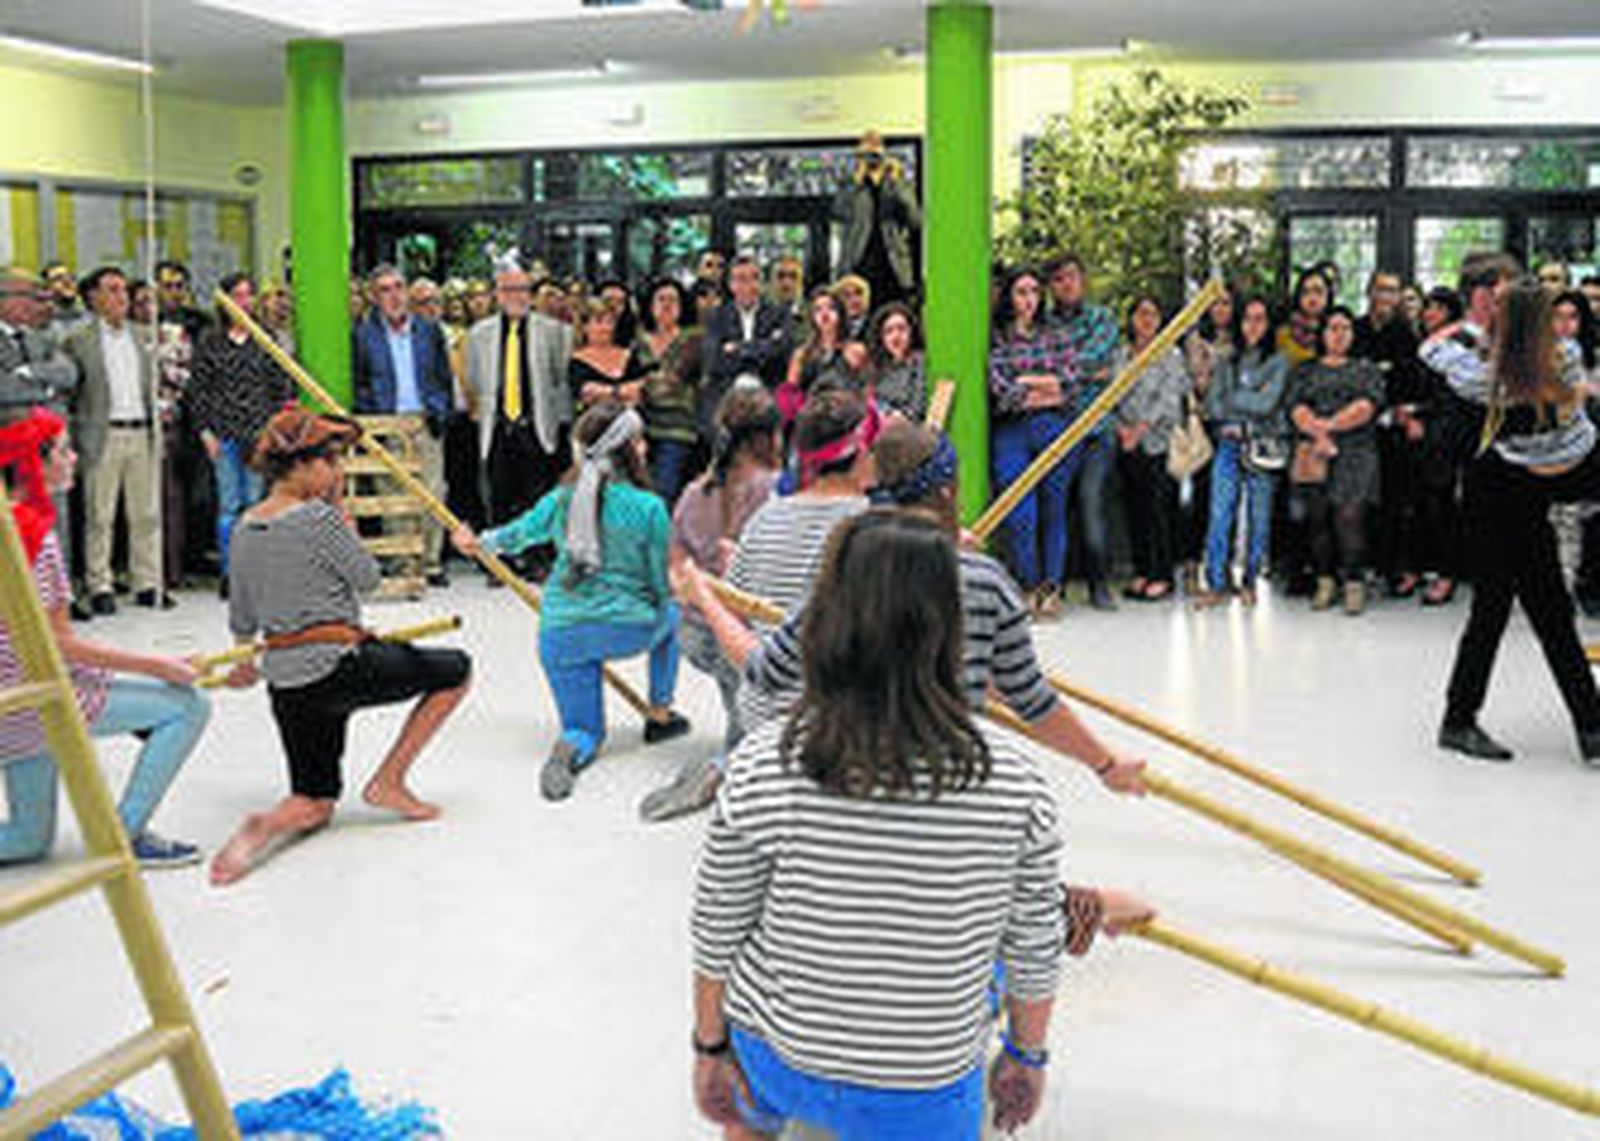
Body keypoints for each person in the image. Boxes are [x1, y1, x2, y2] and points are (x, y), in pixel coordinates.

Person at [689, 510, 1150, 1141]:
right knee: (1007, 930)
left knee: (752, 1095)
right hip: (921, 1084)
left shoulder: (761, 762)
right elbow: (1033, 949)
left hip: (776, 1057)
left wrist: (709, 1050)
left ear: (824, 620)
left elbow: (717, 927)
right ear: (953, 630)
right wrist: (1026, 1057)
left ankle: (754, 1124)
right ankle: (1098, 907)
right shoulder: (1015, 782)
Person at [213, 408, 471, 885]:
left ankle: (267, 824)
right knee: (456, 669)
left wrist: (244, 655)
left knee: (315, 803)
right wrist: (340, 517)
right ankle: (389, 782)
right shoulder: (318, 518)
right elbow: (368, 578)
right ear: (303, 467)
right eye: (331, 462)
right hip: (339, 667)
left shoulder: (246, 526)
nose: (338, 473)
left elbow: (243, 613)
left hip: (288, 684)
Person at [0, 406, 208, 869]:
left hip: (10, 705)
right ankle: (123, 835)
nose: (74, 457)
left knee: (28, 838)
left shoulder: (7, 526)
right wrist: (160, 666)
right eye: (64, 450)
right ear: (35, 463)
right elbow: (60, 645)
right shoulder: (36, 538)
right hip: (40, 700)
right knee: (188, 706)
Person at [454, 403, 688, 799]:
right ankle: (660, 713)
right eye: (640, 439)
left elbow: (515, 535)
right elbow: (656, 585)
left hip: (559, 635)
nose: (645, 446)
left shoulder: (562, 499)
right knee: (673, 616)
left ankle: (570, 748)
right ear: (628, 447)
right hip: (626, 630)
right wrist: (678, 591)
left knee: (583, 729)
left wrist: (477, 543)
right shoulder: (649, 508)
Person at [1426, 276, 1600, 765]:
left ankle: (1463, 719)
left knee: (1524, 612)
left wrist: (1470, 333)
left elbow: (1430, 349)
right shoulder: (1560, 357)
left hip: (1513, 486)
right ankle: (1587, 727)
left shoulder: (1483, 376)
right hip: (1509, 492)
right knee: (1530, 612)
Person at [638, 386, 783, 823]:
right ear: (770, 436)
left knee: (737, 695)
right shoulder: (773, 491)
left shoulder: (695, 490)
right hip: (742, 633)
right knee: (759, 719)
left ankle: (729, 751)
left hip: (694, 629)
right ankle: (725, 767)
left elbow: (674, 563)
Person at [184, 271, 296, 598]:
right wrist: (205, 431)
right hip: (224, 434)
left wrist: (273, 429)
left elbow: (280, 388)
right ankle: (230, 573)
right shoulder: (210, 340)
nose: (243, 301)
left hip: (258, 434)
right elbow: (199, 391)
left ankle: (256, 571)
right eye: (237, 295)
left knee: (256, 503)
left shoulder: (265, 339)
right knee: (229, 507)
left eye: (248, 295)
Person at [63, 267, 165, 614]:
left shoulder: (143, 336)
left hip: (142, 433)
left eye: (124, 290)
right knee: (99, 515)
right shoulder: (79, 341)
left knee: (147, 514)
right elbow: (72, 396)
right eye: (112, 290)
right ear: (93, 297)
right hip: (101, 434)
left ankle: (147, 583)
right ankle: (100, 585)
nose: (123, 297)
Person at [465, 259, 575, 583]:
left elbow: (558, 378)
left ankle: (539, 560)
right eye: (509, 289)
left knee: (538, 498)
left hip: (536, 426)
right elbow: (475, 379)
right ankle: (502, 564)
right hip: (497, 427)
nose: (516, 296)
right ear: (497, 294)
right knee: (498, 497)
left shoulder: (554, 332)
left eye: (523, 289)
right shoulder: (478, 334)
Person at [352, 264, 456, 587]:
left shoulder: (429, 330)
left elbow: (443, 376)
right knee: (393, 496)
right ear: (374, 297)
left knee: (433, 492)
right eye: (385, 289)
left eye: (398, 287)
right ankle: (402, 563)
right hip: (387, 422)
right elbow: (360, 382)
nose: (394, 295)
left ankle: (430, 562)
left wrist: (439, 409)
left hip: (423, 421)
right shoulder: (362, 334)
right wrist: (371, 416)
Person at [989, 267, 1075, 618]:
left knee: (1054, 509)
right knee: (1020, 512)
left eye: (1034, 292)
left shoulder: (1057, 334)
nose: (1028, 299)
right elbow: (1002, 393)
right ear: (1010, 296)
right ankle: (1027, 584)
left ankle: (1051, 587)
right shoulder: (997, 337)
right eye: (1021, 292)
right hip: (1011, 430)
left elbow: (1069, 386)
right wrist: (1044, 385)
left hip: (1054, 428)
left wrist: (1026, 383)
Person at [1288, 306, 1384, 615]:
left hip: (1355, 450)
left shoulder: (1366, 369)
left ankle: (1354, 582)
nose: (1338, 334)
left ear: (1353, 334)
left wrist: (1327, 427)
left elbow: (1367, 406)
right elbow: (1296, 407)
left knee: (1349, 517)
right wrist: (1317, 434)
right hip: (1314, 452)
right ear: (1323, 333)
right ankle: (1324, 581)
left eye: (1345, 327)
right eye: (1332, 328)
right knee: (1318, 519)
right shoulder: (1306, 370)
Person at [1198, 296, 1289, 607]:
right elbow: (1212, 405)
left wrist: (1235, 400)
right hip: (1227, 445)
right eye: (1248, 318)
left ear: (1270, 324)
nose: (1253, 325)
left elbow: (1269, 403)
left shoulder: (1279, 361)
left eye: (1260, 318)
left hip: (1263, 444)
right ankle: (1216, 583)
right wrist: (1251, 397)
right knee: (1219, 513)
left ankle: (1250, 580)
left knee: (1258, 517)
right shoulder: (1227, 360)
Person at [1045, 253, 1120, 610]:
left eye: (1072, 277)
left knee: (1091, 505)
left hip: (1094, 428)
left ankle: (1099, 584)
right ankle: (1052, 586)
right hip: (1054, 427)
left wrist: (1056, 375)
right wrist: (1085, 373)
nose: (1067, 284)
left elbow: (1098, 356)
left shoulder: (1102, 318)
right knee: (1053, 507)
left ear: (1083, 279)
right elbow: (1086, 366)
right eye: (1058, 279)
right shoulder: (1042, 324)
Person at [1354, 270, 1428, 597]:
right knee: (1359, 499)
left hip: (1393, 428)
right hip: (1355, 427)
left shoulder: (1406, 335)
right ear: (1369, 292)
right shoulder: (1354, 330)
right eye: (1381, 289)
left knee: (1395, 499)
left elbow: (1410, 381)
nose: (1386, 297)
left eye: (1393, 291)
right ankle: (1360, 566)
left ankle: (1394, 567)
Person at [1115, 295, 1190, 602]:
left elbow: (1171, 400)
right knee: (1135, 509)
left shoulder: (1170, 355)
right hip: (1127, 443)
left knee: (1159, 509)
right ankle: (1142, 570)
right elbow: (1112, 395)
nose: (1146, 319)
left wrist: (1141, 428)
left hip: (1159, 442)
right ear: (1130, 318)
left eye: (1153, 313)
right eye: (1140, 313)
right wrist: (1122, 429)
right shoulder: (1121, 354)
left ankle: (1162, 574)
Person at [702, 255, 793, 430]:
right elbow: (714, 360)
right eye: (741, 279)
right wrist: (762, 348)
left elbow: (782, 352)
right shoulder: (716, 316)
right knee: (718, 424)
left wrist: (738, 348)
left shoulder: (779, 314)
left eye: (755, 278)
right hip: (727, 389)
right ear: (731, 285)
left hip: (768, 385)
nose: (749, 285)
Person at [831, 130, 920, 307]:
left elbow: (915, 219)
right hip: (859, 262)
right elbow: (839, 213)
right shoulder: (849, 183)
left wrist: (897, 182)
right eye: (865, 155)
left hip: (892, 264)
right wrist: (856, 182)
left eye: (874, 154)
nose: (870, 160)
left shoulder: (896, 182)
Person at [636, 278, 703, 506]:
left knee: (664, 489)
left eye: (673, 300)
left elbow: (675, 381)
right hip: (639, 426)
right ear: (650, 305)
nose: (666, 305)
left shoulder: (694, 339)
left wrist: (644, 385)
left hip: (678, 427)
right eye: (661, 299)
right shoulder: (638, 341)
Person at [778, 288, 864, 425]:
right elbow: (789, 394)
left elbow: (867, 390)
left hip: (846, 419)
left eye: (830, 308)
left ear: (841, 313)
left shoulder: (856, 351)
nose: (824, 313)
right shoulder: (801, 354)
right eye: (818, 309)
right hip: (810, 420)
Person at [570, 297, 647, 412]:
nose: (606, 328)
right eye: (599, 321)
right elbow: (587, 393)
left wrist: (607, 392)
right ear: (585, 326)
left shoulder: (629, 354)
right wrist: (619, 391)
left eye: (610, 322)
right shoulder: (577, 360)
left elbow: (641, 387)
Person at [865, 301, 926, 421]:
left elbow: (917, 408)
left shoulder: (919, 362)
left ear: (911, 332)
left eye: (901, 329)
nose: (896, 336)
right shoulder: (876, 366)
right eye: (888, 331)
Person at [1278, 267, 1332, 368]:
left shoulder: (1337, 331)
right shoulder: (1284, 334)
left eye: (1318, 291)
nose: (1312, 297)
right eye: (1305, 292)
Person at [833, 273, 873, 343]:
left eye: (858, 293)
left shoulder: (875, 326)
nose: (854, 300)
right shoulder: (835, 330)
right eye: (847, 296)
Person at [768, 254, 805, 321]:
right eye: (781, 276)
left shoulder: (810, 315)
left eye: (793, 276)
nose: (786, 283)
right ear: (772, 281)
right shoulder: (761, 316)